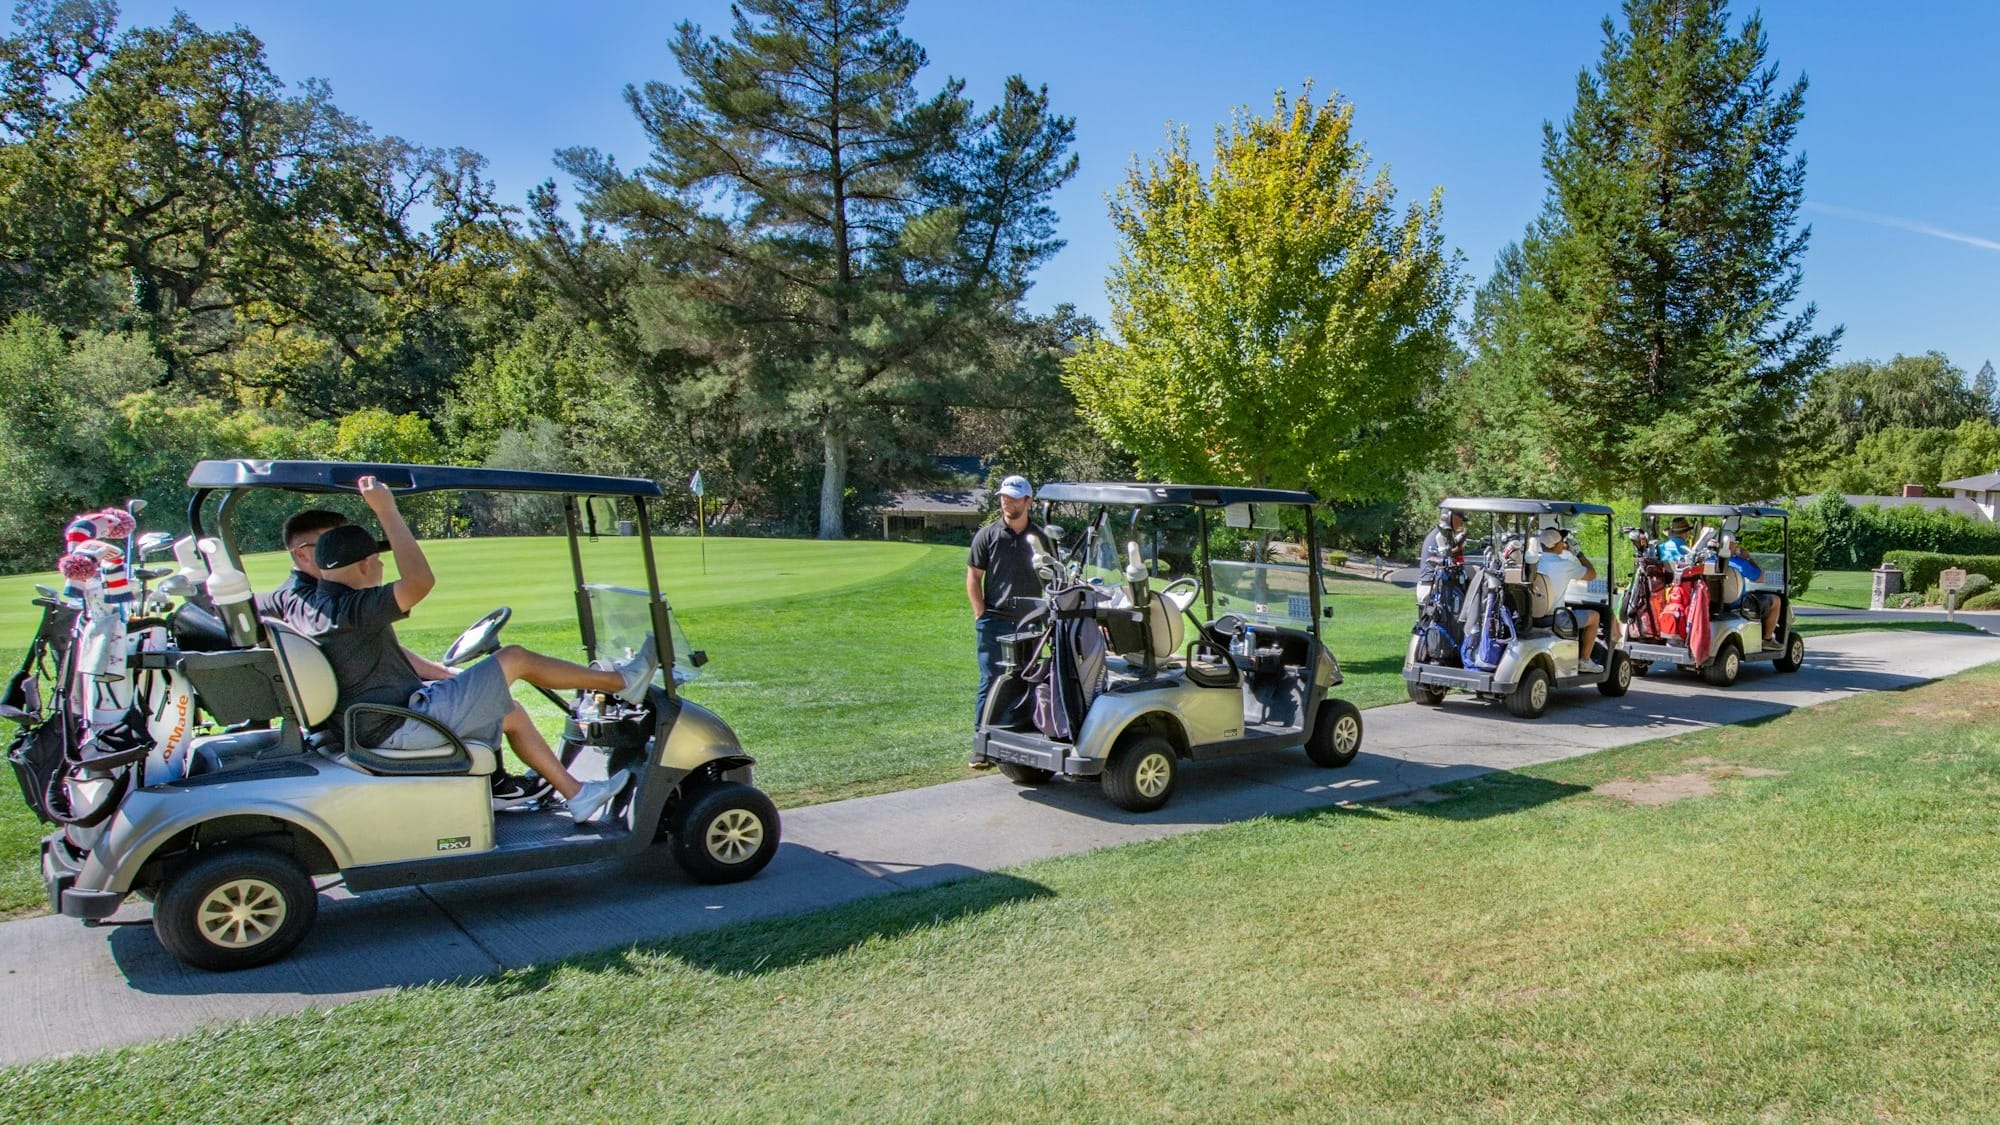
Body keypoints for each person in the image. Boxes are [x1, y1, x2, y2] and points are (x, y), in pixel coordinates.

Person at [304, 476, 655, 823]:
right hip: (397, 727)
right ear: (365, 565)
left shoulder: (323, 607)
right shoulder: (351, 610)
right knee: (514, 657)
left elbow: (388, 655)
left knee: (510, 712)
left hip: (386, 718)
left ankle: (578, 794)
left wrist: (444, 675)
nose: (381, 566)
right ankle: (622, 682)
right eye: (378, 561)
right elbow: (420, 582)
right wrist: (387, 510)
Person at [264, 509, 552, 810]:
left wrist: (441, 672)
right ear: (302, 555)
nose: (339, 548)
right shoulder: (324, 604)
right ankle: (504, 785)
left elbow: (376, 650)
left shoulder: (297, 598)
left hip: (359, 711)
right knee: (503, 693)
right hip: (377, 718)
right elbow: (417, 584)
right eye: (328, 543)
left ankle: (496, 784)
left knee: (488, 700)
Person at [966, 474, 1050, 742]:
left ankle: (1018, 736)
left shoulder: (1040, 538)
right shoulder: (987, 535)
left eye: (1013, 498)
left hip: (1030, 623)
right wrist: (980, 614)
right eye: (1003, 497)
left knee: (1026, 679)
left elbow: (1052, 578)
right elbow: (974, 576)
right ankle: (982, 742)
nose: (1006, 502)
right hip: (995, 621)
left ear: (1027, 501)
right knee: (990, 680)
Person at [1533, 525, 1602, 672]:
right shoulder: (1565, 565)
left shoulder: (1533, 563)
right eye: (1562, 543)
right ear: (1558, 545)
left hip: (1532, 616)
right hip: (1555, 618)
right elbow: (1592, 574)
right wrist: (1578, 553)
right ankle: (1585, 660)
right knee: (1594, 616)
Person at [1722, 534, 1782, 648]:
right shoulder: (1740, 563)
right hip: (1738, 604)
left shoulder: (1710, 559)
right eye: (1735, 543)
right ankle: (1767, 639)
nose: (1737, 545)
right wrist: (1749, 558)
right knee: (1776, 600)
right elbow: (1760, 578)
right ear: (1730, 544)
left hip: (1717, 602)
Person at [1416, 508, 1466, 602]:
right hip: (1430, 585)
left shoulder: (1445, 533)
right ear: (1451, 517)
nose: (1461, 524)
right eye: (1460, 519)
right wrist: (1459, 547)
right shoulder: (1441, 533)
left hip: (1434, 583)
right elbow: (1446, 555)